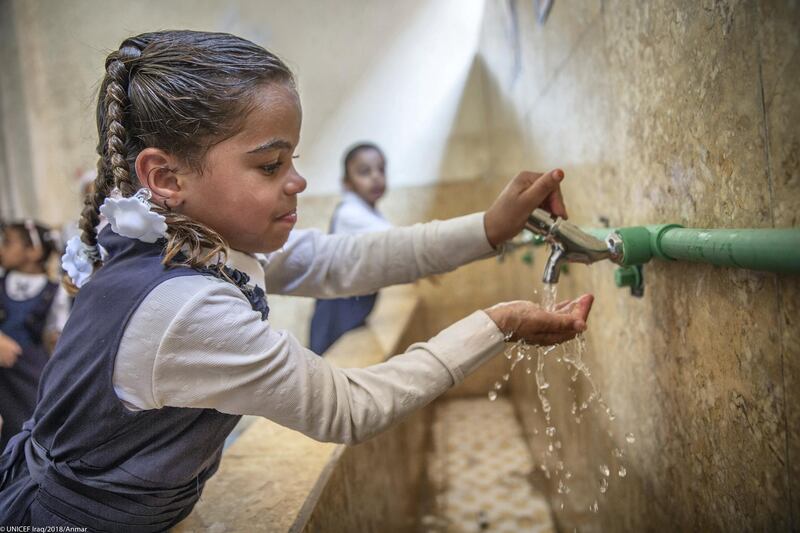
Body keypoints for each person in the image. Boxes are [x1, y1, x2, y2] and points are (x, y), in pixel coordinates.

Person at [0, 31, 593, 530]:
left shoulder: (191, 243)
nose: (296, 184)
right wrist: (498, 323)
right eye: (268, 165)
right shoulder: (184, 309)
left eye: (294, 162)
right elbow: (349, 408)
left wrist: (489, 228)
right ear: (164, 176)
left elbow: (342, 260)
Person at [309, 142, 392, 353]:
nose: (375, 176)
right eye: (364, 172)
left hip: (354, 305)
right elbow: (399, 241)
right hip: (337, 309)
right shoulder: (349, 212)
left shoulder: (368, 212)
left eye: (381, 169)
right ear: (347, 183)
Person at [0, 220, 68, 451]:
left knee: (29, 428)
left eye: (8, 242)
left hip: (30, 373)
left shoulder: (54, 290)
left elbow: (57, 336)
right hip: (3, 375)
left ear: (34, 251)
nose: (2, 248)